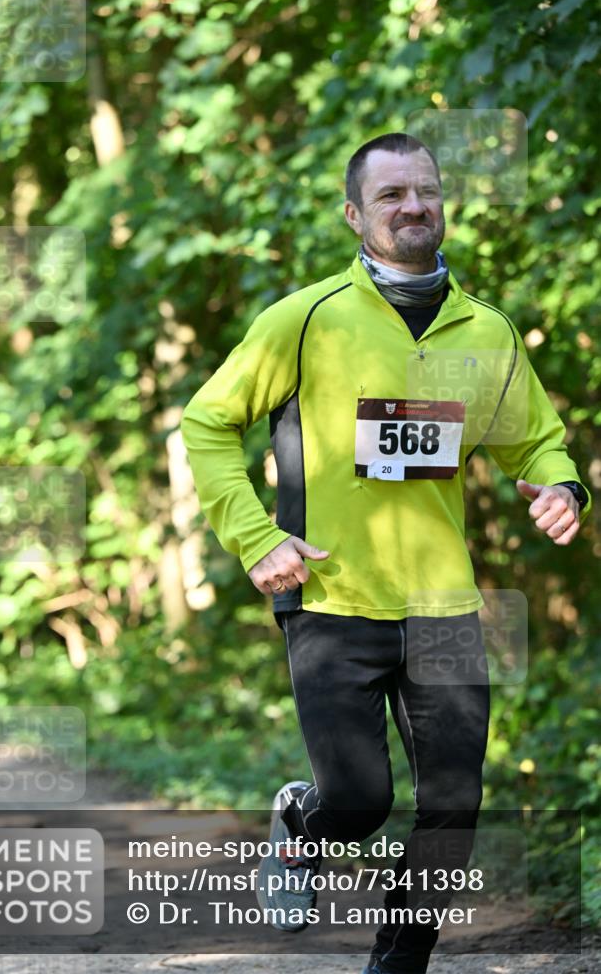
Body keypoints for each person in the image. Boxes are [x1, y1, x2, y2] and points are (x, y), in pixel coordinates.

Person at [180, 133, 591, 974]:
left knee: (453, 807)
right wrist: (256, 538)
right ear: (354, 215)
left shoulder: (487, 329)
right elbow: (206, 422)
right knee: (360, 801)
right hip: (331, 593)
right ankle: (304, 824)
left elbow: (536, 443)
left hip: (441, 604)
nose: (413, 207)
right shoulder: (304, 319)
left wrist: (560, 487)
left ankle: (395, 965)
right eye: (391, 196)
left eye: (425, 191)